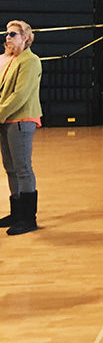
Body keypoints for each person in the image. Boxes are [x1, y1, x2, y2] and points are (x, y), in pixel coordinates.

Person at [0, 20, 42, 236]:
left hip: (21, 120)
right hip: (7, 120)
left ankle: (28, 218)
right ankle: (16, 212)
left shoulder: (31, 61)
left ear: (26, 37)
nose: (7, 37)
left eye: (13, 34)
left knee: (23, 168)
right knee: (10, 167)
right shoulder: (10, 61)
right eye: (7, 34)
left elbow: (20, 96)